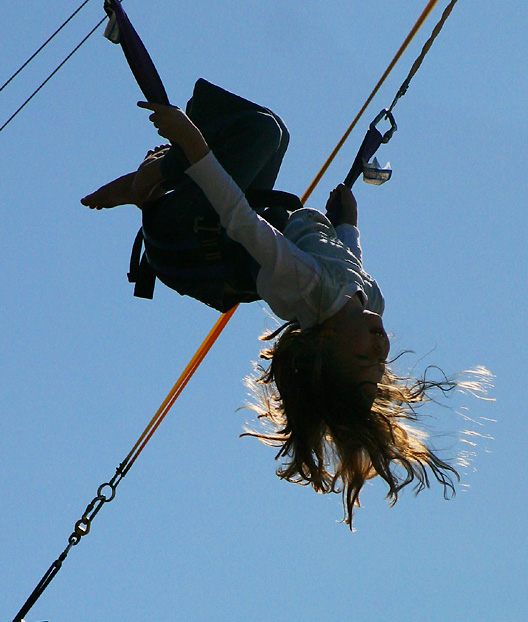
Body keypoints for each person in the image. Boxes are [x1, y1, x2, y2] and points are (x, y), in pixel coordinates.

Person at [82, 81, 485, 528]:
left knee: (262, 133)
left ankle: (152, 179)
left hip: (185, 238)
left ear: (326, 338)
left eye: (362, 358)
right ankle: (162, 172)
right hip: (212, 225)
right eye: (380, 364)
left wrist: (189, 141)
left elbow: (240, 218)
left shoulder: (302, 288)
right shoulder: (370, 301)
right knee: (277, 131)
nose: (380, 349)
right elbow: (349, 261)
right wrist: (348, 223)